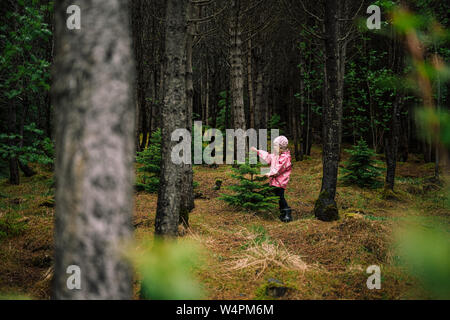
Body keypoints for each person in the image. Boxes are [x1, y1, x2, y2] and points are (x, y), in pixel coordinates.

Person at [251, 136, 293, 222]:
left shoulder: (285, 157)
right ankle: (282, 212)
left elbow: (279, 168)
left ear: (281, 147)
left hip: (281, 181)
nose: (273, 148)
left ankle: (286, 213)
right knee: (277, 195)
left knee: (280, 196)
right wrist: (257, 151)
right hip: (275, 180)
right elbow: (268, 156)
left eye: (275, 146)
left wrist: (270, 173)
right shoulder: (276, 155)